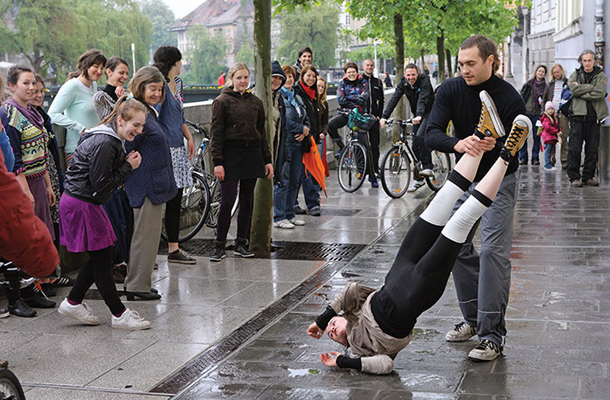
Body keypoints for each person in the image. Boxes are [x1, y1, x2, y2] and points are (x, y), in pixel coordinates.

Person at [308, 110, 531, 374]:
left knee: (440, 201)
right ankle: (508, 153)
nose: (333, 330)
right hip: (419, 289)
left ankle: (483, 133)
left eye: (332, 327)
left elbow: (352, 290)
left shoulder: (354, 312)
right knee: (461, 220)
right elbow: (385, 364)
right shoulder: (360, 348)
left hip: (399, 270)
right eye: (333, 335)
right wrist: (344, 361)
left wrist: (322, 321)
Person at [425, 35, 526, 361]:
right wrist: (459, 144)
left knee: (493, 254)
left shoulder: (510, 98)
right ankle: (472, 320)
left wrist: (490, 146)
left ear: (491, 61)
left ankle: (492, 336)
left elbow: (513, 152)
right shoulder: (450, 89)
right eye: (461, 64)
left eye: (471, 63)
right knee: (453, 245)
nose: (464, 70)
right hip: (464, 180)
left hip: (500, 181)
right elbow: (430, 133)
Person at [57, 96, 151, 330]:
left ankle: (74, 301)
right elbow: (101, 185)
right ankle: (119, 314)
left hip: (80, 200)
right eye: (135, 125)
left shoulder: (105, 136)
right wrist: (129, 166)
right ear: (120, 120)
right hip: (82, 202)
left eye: (141, 126)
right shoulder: (106, 142)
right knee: (102, 257)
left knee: (104, 253)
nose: (138, 131)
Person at [1, 65, 58, 316]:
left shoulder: (33, 112)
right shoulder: (9, 113)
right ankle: (18, 296)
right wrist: (25, 190)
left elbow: (41, 151)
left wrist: (46, 184)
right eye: (26, 83)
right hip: (20, 182)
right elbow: (14, 156)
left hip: (36, 179)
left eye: (34, 83)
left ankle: (31, 288)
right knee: (22, 238)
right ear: (12, 86)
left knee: (38, 233)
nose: (32, 88)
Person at [209, 63, 274, 261]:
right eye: (239, 78)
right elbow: (216, 134)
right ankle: (219, 244)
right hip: (230, 155)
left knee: (247, 200)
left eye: (246, 77)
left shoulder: (256, 102)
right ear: (232, 78)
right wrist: (217, 162)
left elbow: (262, 133)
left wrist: (267, 160)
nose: (243, 81)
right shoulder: (221, 102)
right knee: (227, 200)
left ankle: (241, 243)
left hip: (252, 154)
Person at [123, 67, 177, 300]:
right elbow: (127, 143)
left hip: (153, 184)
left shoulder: (148, 111)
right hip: (146, 185)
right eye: (152, 88)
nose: (156, 93)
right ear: (140, 87)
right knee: (144, 237)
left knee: (148, 236)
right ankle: (137, 286)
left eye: (159, 89)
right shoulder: (136, 110)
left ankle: (139, 282)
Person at [154, 46, 197, 265]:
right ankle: (149, 251)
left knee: (175, 200)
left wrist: (188, 136)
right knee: (156, 201)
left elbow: (179, 115)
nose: (181, 65)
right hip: (162, 150)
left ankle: (174, 247)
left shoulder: (177, 84)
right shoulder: (157, 86)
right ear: (174, 62)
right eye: (180, 61)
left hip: (177, 148)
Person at [381, 63, 435, 192]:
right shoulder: (403, 83)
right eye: (408, 75)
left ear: (418, 73)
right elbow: (394, 98)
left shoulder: (424, 81)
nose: (411, 77)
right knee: (414, 144)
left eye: (413, 75)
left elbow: (423, 99)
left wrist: (420, 115)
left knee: (420, 136)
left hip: (430, 112)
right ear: (405, 75)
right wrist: (384, 116)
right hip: (417, 114)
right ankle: (419, 178)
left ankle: (428, 166)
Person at [48, 49, 106, 167]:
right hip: (77, 150)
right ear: (85, 65)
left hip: (95, 147)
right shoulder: (72, 86)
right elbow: (52, 114)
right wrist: (79, 127)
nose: (99, 71)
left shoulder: (93, 85)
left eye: (102, 68)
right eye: (95, 67)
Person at [274, 65, 309, 230]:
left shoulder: (297, 98)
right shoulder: (280, 98)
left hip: (298, 144)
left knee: (295, 181)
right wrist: (300, 129)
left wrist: (305, 131)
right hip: (286, 143)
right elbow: (283, 121)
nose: (289, 80)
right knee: (283, 181)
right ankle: (279, 216)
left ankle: (290, 214)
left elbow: (306, 117)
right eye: (286, 77)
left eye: (291, 77)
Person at [566, 49, 609, 187]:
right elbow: (573, 90)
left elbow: (600, 93)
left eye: (589, 60)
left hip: (594, 117)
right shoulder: (575, 75)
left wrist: (582, 91)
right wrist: (591, 88)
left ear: (594, 61)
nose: (587, 63)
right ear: (581, 62)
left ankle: (588, 176)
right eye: (584, 61)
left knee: (592, 149)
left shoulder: (600, 75)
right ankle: (574, 177)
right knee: (574, 148)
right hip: (578, 116)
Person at [294, 64, 321, 217]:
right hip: (302, 138)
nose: (311, 79)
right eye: (308, 76)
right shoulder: (299, 93)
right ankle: (312, 204)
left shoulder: (313, 93)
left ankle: (295, 204)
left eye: (313, 76)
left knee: (302, 173)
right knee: (306, 173)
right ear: (302, 76)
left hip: (311, 137)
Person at [327, 62, 369, 157]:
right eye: (349, 72)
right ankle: (342, 147)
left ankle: (363, 170)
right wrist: (357, 98)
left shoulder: (363, 82)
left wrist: (348, 98)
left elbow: (364, 98)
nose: (351, 74)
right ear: (345, 74)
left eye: (353, 72)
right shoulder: (342, 83)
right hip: (345, 114)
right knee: (331, 125)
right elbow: (341, 100)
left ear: (357, 72)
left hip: (359, 115)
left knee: (362, 144)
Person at [518, 65, 548, 166]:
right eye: (539, 71)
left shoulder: (546, 86)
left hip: (538, 116)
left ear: (545, 74)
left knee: (537, 136)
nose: (540, 73)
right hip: (526, 113)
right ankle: (523, 158)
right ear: (536, 72)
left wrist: (543, 104)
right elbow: (521, 96)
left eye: (543, 72)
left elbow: (548, 99)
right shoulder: (529, 84)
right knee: (523, 136)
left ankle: (535, 158)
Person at [361, 59, 384, 187]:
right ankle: (363, 171)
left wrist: (379, 115)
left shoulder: (378, 82)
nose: (369, 67)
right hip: (362, 118)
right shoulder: (360, 82)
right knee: (363, 145)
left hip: (374, 118)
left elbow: (381, 100)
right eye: (367, 65)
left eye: (371, 65)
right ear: (363, 67)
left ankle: (375, 170)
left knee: (375, 145)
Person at [543, 64, 570, 167]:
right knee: (551, 138)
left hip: (563, 113)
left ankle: (564, 159)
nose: (556, 74)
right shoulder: (550, 85)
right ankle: (551, 159)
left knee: (563, 136)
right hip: (551, 114)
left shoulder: (567, 83)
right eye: (554, 72)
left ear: (561, 71)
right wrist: (543, 114)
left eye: (558, 72)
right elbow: (545, 98)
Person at [317, 76, 330, 182]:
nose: (320, 89)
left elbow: (325, 121)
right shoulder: (309, 100)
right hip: (310, 134)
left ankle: (318, 183)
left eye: (322, 87)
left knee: (319, 161)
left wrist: (324, 133)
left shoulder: (324, 103)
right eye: (318, 86)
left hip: (320, 135)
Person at [540, 101, 559, 171]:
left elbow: (556, 126)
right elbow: (548, 128)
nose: (550, 111)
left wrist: (558, 130)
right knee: (548, 152)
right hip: (548, 138)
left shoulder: (553, 117)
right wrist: (556, 131)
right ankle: (547, 165)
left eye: (552, 109)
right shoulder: (546, 118)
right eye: (548, 109)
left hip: (551, 138)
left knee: (550, 152)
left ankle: (550, 164)